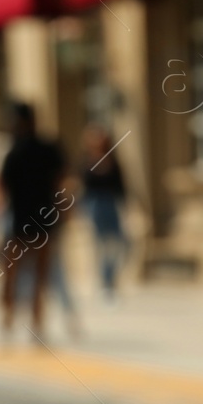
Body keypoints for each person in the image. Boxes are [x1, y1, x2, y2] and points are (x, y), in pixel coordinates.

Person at [0, 101, 66, 343]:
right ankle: (35, 326)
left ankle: (9, 322)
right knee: (39, 276)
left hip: (19, 221)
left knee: (12, 275)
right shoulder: (48, 148)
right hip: (43, 219)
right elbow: (61, 181)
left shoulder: (13, 151)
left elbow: (4, 185)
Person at [81, 125, 128, 301]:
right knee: (101, 246)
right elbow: (84, 184)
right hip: (95, 205)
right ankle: (105, 283)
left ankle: (110, 278)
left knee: (119, 244)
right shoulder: (87, 161)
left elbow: (121, 186)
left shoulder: (112, 160)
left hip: (111, 204)